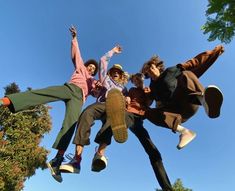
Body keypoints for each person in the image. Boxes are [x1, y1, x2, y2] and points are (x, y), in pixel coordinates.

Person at [0, 26, 99, 182]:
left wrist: (99, 87)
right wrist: (74, 38)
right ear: (86, 66)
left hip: (78, 99)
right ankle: (5, 101)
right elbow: (76, 55)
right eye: (90, 67)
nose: (91, 69)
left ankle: (57, 160)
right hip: (69, 88)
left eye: (93, 69)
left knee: (70, 125)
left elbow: (98, 92)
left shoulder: (93, 82)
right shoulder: (81, 67)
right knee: (43, 93)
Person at [91, 73, 174, 190]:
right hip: (129, 113)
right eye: (134, 80)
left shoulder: (148, 90)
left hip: (139, 121)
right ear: (133, 82)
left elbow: (150, 103)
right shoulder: (132, 90)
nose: (137, 81)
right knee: (117, 120)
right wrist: (126, 99)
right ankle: (99, 154)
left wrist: (148, 93)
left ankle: (167, 187)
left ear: (142, 79)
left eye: (138, 79)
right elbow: (127, 98)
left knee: (153, 151)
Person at [59, 44, 128, 174]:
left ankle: (99, 154)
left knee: (112, 122)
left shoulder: (124, 89)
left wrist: (128, 100)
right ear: (110, 73)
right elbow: (102, 61)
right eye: (113, 71)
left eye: (118, 72)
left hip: (115, 109)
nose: (115, 73)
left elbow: (128, 101)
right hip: (101, 104)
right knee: (86, 114)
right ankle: (76, 160)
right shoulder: (105, 79)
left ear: (122, 75)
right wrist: (113, 51)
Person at [141, 45, 224, 149]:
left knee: (185, 73)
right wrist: (146, 93)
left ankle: (205, 101)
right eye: (148, 72)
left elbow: (195, 62)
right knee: (147, 112)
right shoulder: (152, 88)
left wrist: (214, 52)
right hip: (177, 114)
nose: (151, 71)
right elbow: (147, 103)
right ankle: (185, 132)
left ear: (157, 67)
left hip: (190, 101)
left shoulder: (170, 71)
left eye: (152, 68)